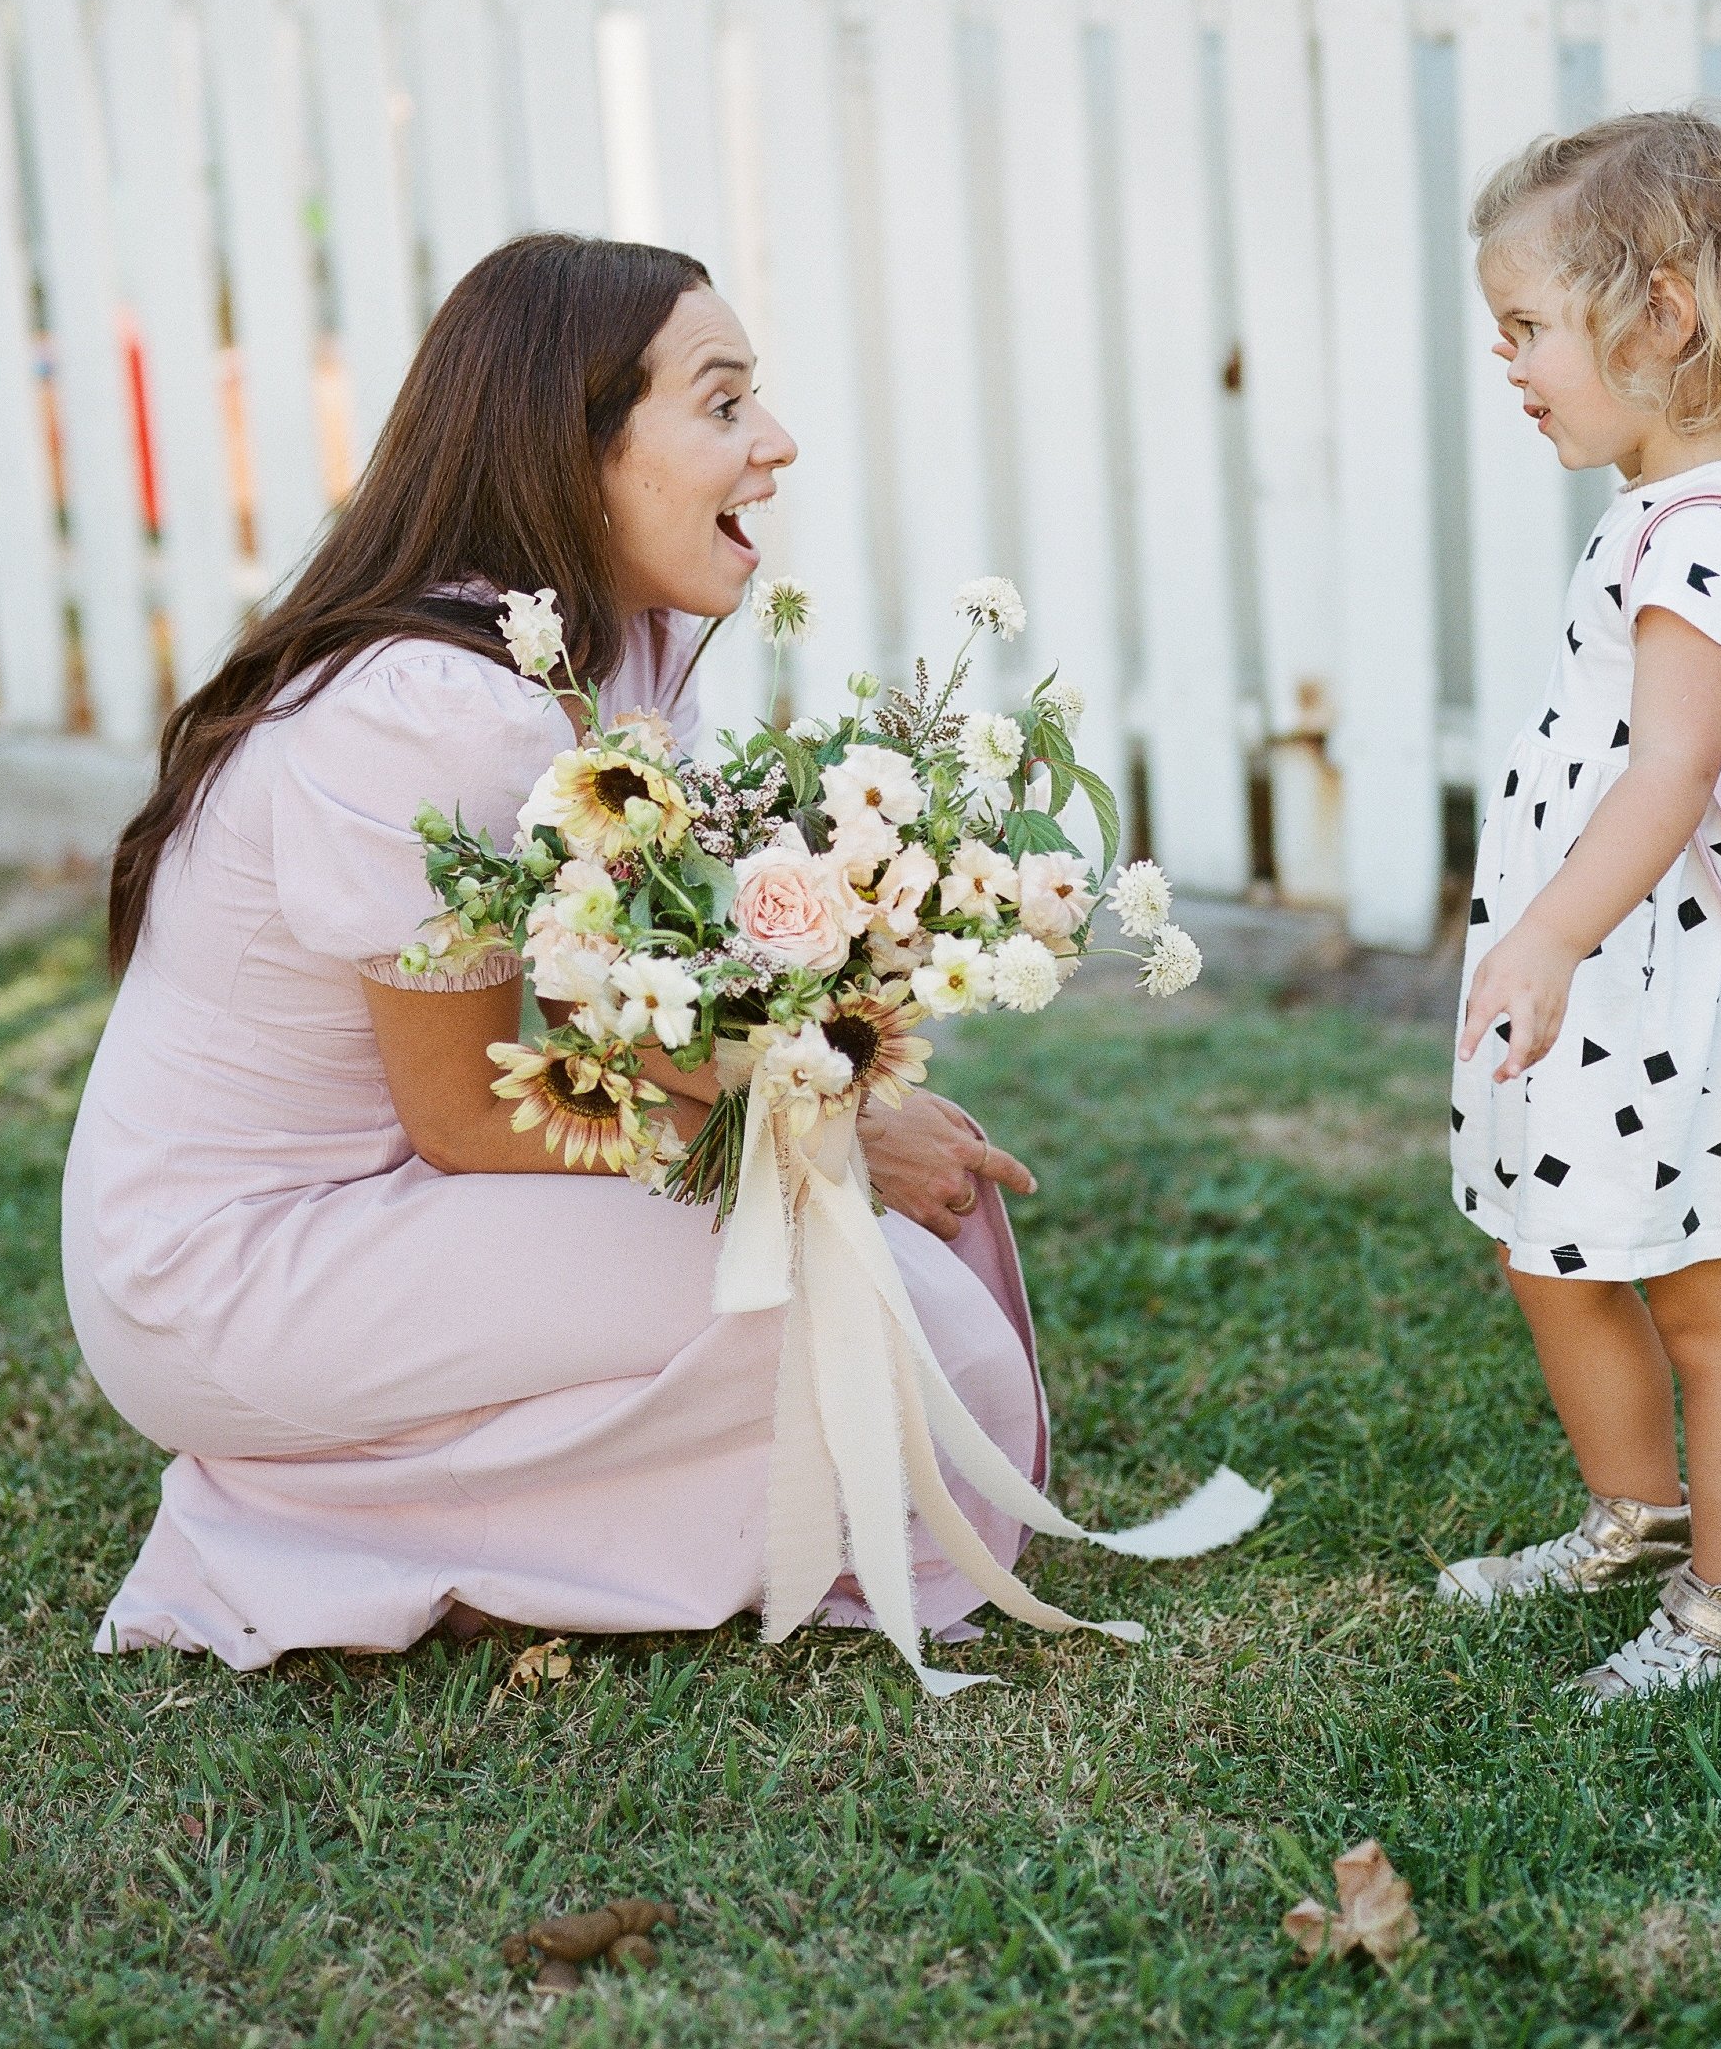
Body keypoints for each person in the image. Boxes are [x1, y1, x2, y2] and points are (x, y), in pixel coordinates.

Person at [64, 233, 1045, 1668]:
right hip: (234, 1273)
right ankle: (302, 1513)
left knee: (912, 1328)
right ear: (570, 446)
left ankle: (383, 1480)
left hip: (400, 1202)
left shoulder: (613, 656)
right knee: (893, 1342)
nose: (773, 445)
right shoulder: (429, 705)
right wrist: (815, 1145)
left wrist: (843, 1095)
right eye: (720, 405)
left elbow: (640, 1012)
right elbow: (463, 1117)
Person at [1438, 110, 1721, 1707]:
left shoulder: (1710, 539)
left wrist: (1545, 935)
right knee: (1554, 1253)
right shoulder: (1706, 507)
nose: (1512, 361)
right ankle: (1636, 1508)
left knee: (1712, 1309)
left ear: (1663, 315)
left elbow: (1671, 774)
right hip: (1612, 981)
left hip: (1671, 996)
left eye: (1530, 326)